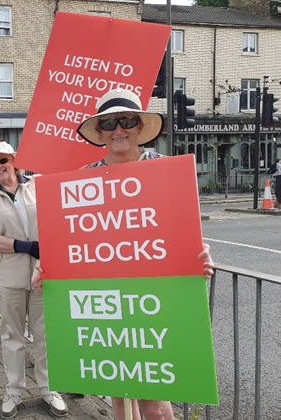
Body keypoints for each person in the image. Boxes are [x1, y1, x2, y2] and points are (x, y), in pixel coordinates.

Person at [33, 88, 215, 420]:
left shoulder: (163, 169)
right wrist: (48, 269)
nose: (119, 129)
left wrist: (198, 253)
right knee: (119, 399)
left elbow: (179, 228)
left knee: (156, 404)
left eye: (127, 121)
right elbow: (72, 241)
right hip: (109, 304)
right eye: (109, 123)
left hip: (155, 299)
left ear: (139, 127)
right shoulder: (85, 178)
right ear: (100, 131)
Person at [0, 142, 69, 418]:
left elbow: (60, 217)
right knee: (12, 336)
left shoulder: (39, 185)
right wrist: (25, 246)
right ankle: (14, 390)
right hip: (8, 277)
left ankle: (49, 388)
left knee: (45, 336)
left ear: (14, 160)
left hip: (44, 274)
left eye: (1, 160)